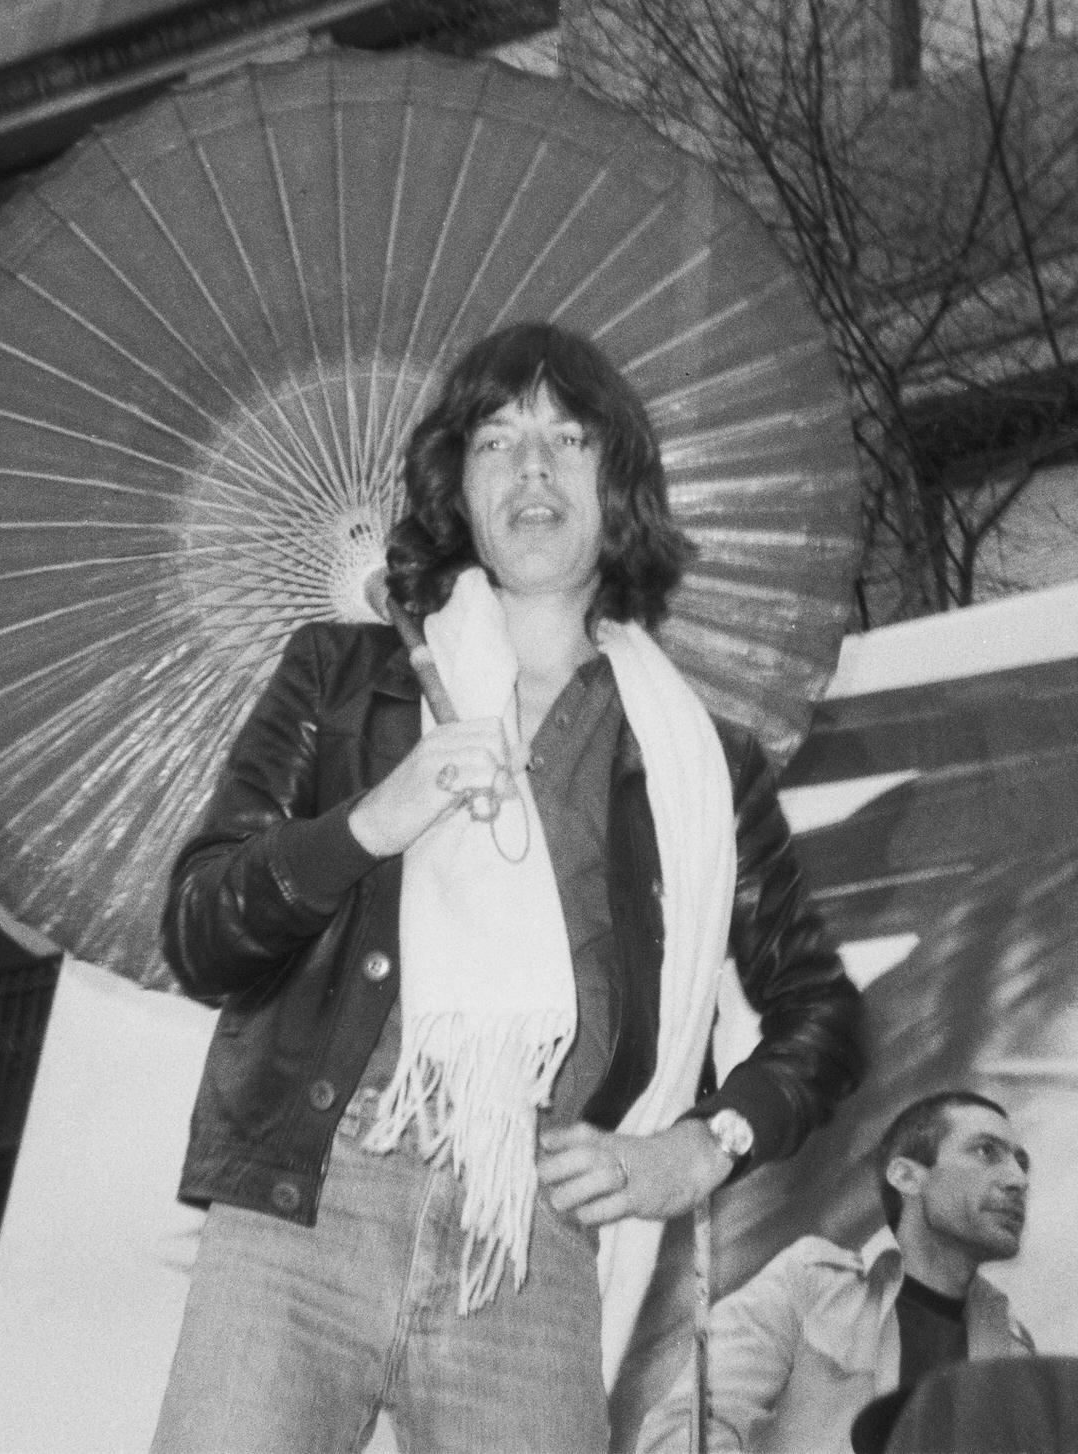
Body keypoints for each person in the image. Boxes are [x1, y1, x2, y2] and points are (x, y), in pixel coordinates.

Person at [153, 322, 863, 1454]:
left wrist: (696, 1143)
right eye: (496, 440)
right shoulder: (341, 677)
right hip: (306, 1198)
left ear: (614, 484)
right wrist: (372, 818)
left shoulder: (695, 759)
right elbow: (200, 930)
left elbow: (822, 1011)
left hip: (535, 1235)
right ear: (457, 488)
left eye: (566, 439)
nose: (531, 468)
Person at [635, 1090, 1034, 1454]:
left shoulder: (1013, 1348)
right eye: (986, 1152)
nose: (1018, 1180)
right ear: (907, 1176)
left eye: (1022, 1164)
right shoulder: (810, 1282)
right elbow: (687, 1430)